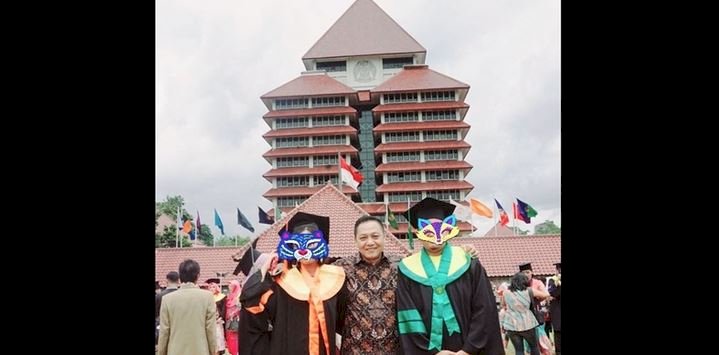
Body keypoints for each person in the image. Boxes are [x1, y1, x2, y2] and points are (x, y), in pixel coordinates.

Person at [396, 197, 504, 355]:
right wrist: (432, 352)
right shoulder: (407, 269)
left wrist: (468, 350)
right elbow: (408, 316)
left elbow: (484, 309)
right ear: (418, 233)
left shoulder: (467, 262)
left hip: (471, 350)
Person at [240, 212, 348, 355]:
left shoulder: (336, 279)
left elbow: (345, 322)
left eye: (312, 243)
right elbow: (252, 309)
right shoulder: (280, 282)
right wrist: (263, 272)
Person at [157, 259, 218, 355]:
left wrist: (161, 352)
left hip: (175, 350)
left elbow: (164, 332)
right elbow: (210, 330)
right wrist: (214, 350)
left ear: (180, 277)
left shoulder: (167, 299)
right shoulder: (207, 297)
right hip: (200, 350)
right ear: (198, 276)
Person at [501, 272, 549, 355]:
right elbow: (546, 294)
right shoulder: (529, 291)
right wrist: (537, 300)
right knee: (534, 347)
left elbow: (504, 306)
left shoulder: (506, 292)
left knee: (519, 350)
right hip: (528, 322)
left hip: (511, 324)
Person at [518, 262, 552, 355]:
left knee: (541, 337)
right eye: (524, 272)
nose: (526, 274)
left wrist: (537, 295)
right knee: (528, 341)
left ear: (532, 272)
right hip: (524, 315)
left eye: (528, 272)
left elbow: (546, 294)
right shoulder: (518, 284)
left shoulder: (537, 283)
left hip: (536, 314)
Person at [156, 272, 180, 347]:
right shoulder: (181, 295)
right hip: (178, 326)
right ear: (178, 281)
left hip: (162, 326)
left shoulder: (159, 296)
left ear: (167, 280)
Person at [207, 278, 227, 354]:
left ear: (217, 287)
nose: (212, 289)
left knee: (218, 337)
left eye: (213, 287)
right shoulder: (207, 297)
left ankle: (219, 351)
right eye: (210, 287)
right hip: (210, 320)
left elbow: (224, 309)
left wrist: (220, 317)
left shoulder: (222, 297)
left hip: (218, 321)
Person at [225, 280, 242, 355]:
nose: (229, 287)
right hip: (229, 321)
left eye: (231, 286)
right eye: (229, 286)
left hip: (236, 321)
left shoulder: (239, 296)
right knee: (230, 339)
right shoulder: (230, 296)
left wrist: (233, 313)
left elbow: (240, 308)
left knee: (236, 339)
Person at [547, 262, 561, 355]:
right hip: (557, 310)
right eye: (558, 270)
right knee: (558, 331)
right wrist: (558, 284)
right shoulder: (553, 280)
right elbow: (553, 294)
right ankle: (558, 351)